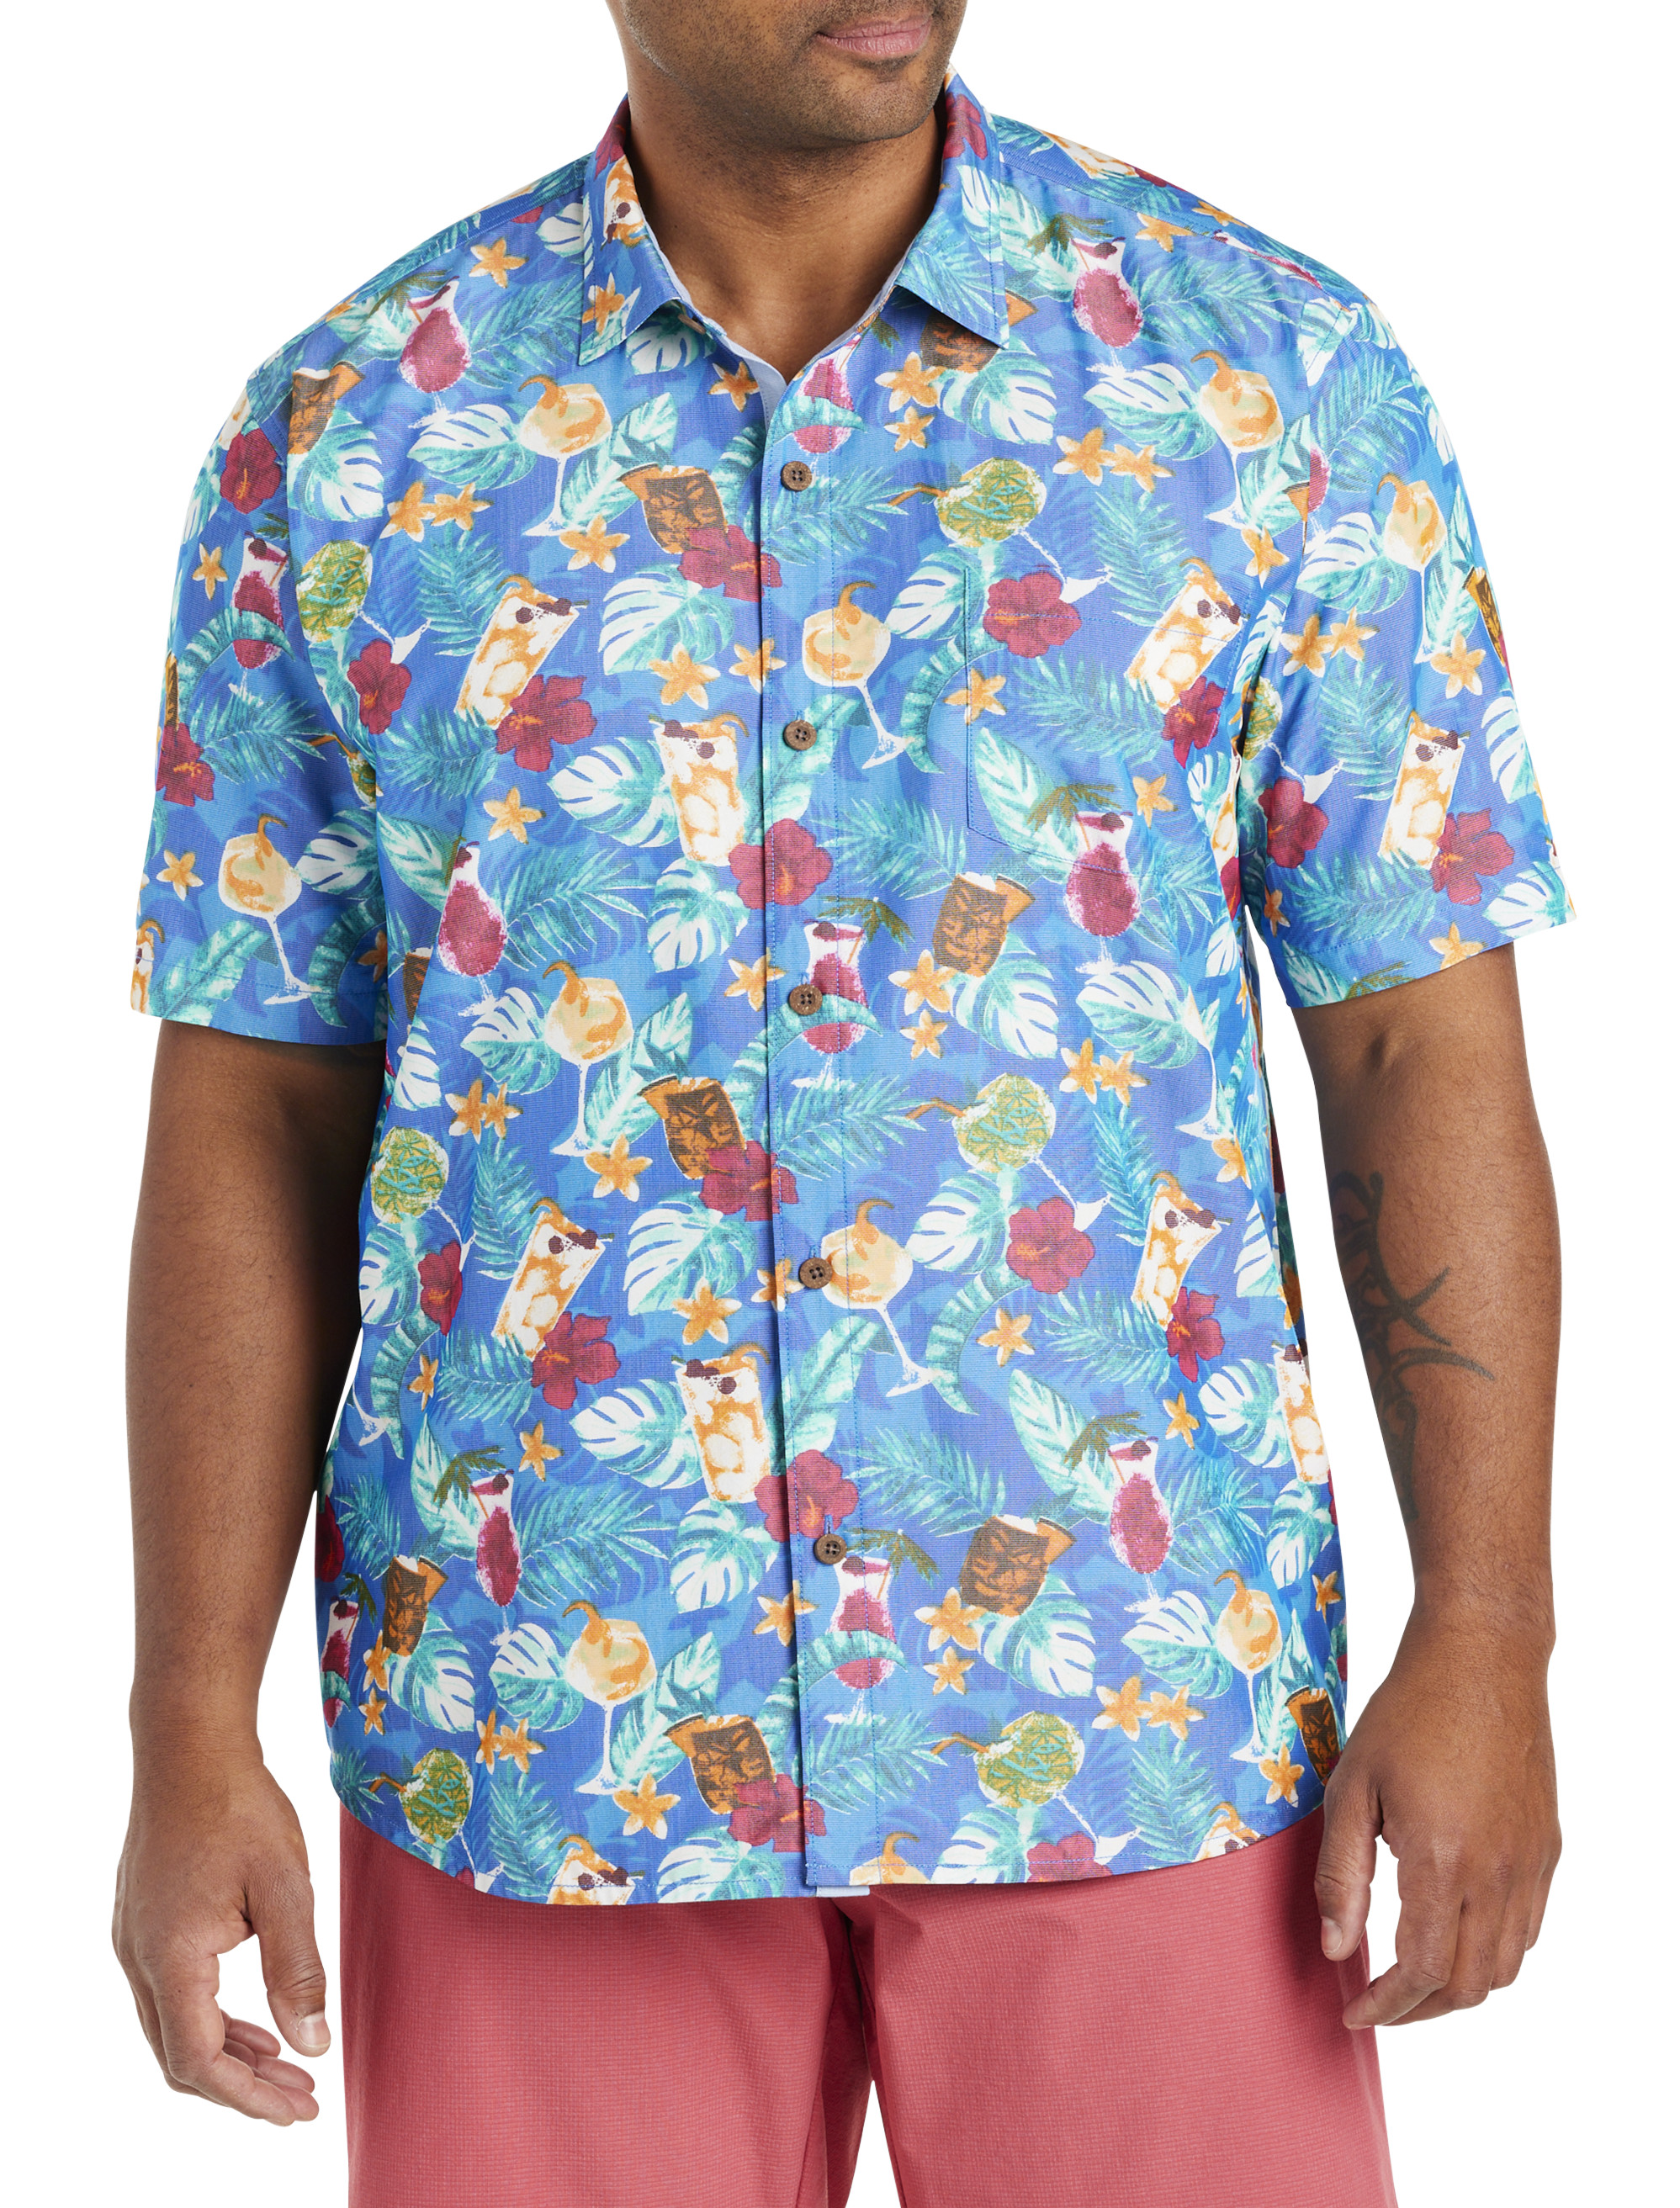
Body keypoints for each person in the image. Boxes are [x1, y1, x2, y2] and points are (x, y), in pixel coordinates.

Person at [114, 4, 1568, 2202]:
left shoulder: (1267, 385)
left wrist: (1489, 1633)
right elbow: (259, 1106)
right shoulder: (350, 437)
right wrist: (184, 1717)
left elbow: (1412, 1040)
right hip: (550, 1743)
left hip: (1133, 1722)